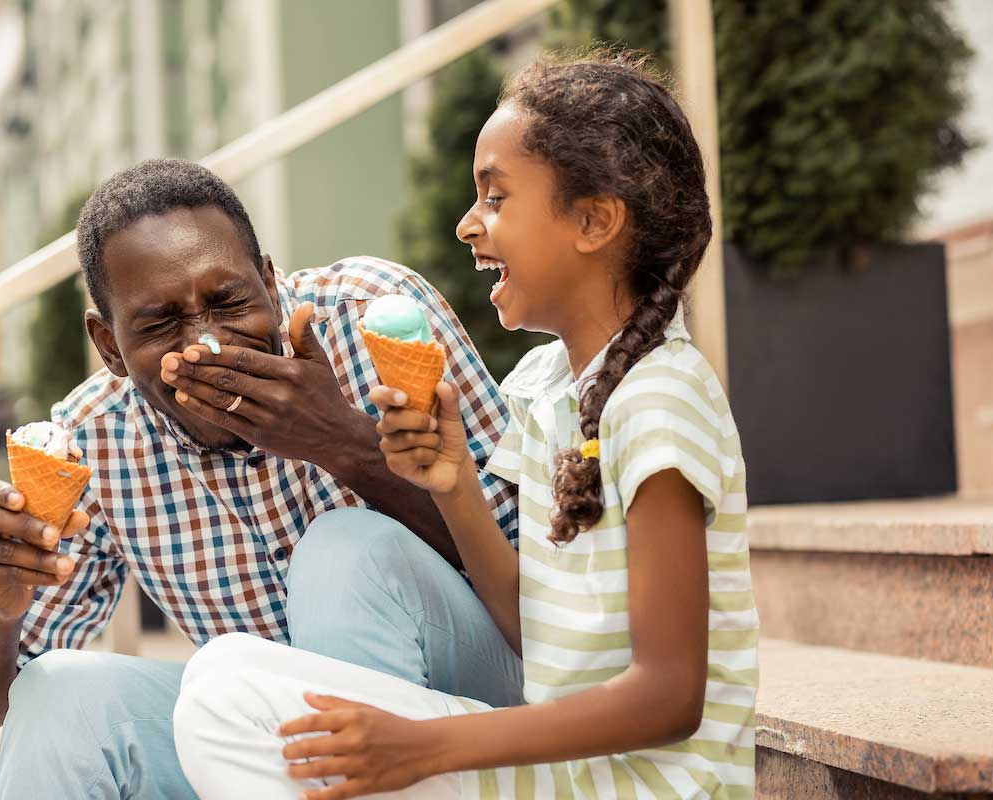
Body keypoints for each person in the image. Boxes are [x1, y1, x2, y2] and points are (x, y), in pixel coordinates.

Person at [173, 48, 759, 799]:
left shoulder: (660, 401)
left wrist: (426, 747)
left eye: (496, 197)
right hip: (562, 774)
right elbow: (536, 634)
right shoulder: (548, 387)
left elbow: (670, 696)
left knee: (229, 706)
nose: (466, 224)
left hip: (633, 787)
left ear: (593, 220)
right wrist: (453, 489)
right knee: (221, 671)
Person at [0, 159, 523, 799]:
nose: (204, 343)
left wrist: (344, 445)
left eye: (228, 301)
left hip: (475, 715)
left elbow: (541, 577)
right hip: (270, 750)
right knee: (58, 696)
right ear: (109, 346)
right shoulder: (93, 442)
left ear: (270, 280)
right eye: (159, 324)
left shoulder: (370, 316)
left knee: (344, 550)